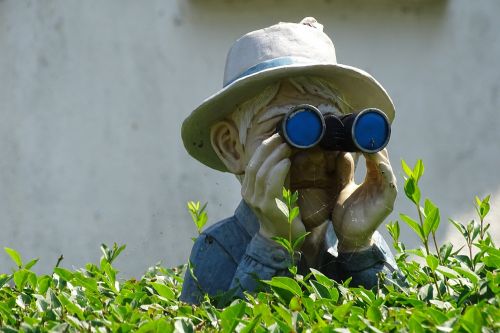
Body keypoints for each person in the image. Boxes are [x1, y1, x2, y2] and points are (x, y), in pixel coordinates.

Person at [180, 18, 399, 304]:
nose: (315, 158)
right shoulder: (218, 248)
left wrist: (359, 248)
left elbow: (402, 319)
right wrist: (273, 241)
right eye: (291, 132)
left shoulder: (360, 238)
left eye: (335, 130)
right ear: (231, 147)